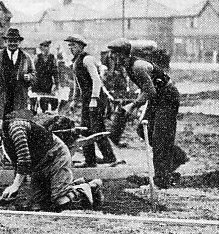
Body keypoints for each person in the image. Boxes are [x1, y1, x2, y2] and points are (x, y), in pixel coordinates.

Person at [0, 110, 103, 212]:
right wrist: (14, 190)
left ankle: (89, 187)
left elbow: (24, 159)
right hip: (40, 166)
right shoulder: (5, 137)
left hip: (56, 158)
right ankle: (75, 184)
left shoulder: (15, 129)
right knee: (38, 205)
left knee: (60, 201)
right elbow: (18, 164)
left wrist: (15, 186)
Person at [107, 38, 188, 188]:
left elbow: (150, 91)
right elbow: (148, 90)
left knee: (159, 138)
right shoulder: (128, 66)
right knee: (143, 131)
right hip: (157, 98)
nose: (111, 58)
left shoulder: (137, 67)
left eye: (113, 55)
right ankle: (177, 155)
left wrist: (133, 106)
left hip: (167, 98)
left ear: (122, 55)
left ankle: (161, 180)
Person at [66, 35, 117, 167]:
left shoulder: (87, 59)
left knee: (97, 128)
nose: (71, 48)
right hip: (87, 99)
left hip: (97, 98)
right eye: (70, 46)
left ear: (81, 46)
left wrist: (94, 99)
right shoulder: (75, 62)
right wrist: (74, 100)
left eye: (74, 46)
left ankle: (110, 158)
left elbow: (96, 80)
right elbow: (77, 84)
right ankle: (90, 160)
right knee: (85, 129)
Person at [0, 28, 36, 119]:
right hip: (0, 97)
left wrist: (30, 77)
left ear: (19, 42)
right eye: (10, 41)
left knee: (17, 123)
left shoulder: (26, 57)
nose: (12, 43)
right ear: (6, 42)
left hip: (19, 97)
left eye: (15, 41)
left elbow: (34, 74)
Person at [31, 40, 59, 113]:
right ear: (41, 48)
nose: (46, 48)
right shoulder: (37, 57)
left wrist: (56, 84)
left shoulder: (53, 58)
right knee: (35, 102)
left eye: (47, 46)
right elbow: (33, 71)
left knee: (46, 101)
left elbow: (55, 72)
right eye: (44, 46)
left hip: (48, 83)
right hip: (38, 83)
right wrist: (32, 82)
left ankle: (44, 115)